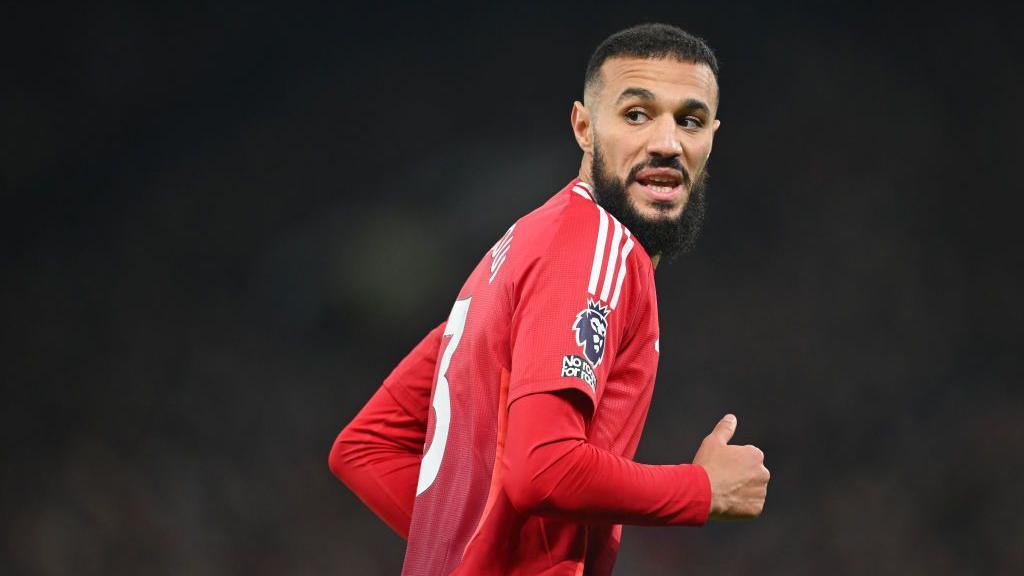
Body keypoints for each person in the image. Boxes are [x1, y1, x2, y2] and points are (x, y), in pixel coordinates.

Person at [329, 23, 770, 575]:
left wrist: (486, 557)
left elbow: (365, 448)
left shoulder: (519, 252)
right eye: (636, 114)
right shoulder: (598, 245)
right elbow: (543, 469)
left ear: (711, 137)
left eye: (690, 120)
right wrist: (700, 490)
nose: (667, 142)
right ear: (584, 127)